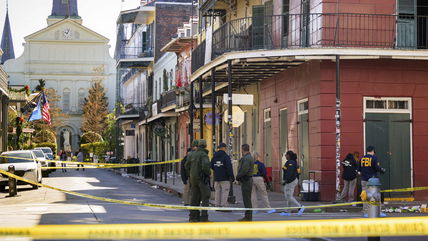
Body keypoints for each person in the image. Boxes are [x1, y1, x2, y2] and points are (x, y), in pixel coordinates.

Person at [185, 140, 211, 222]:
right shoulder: (203, 155)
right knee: (205, 197)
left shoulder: (192, 154)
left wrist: (191, 173)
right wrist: (208, 173)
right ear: (205, 146)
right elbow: (205, 166)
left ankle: (193, 217)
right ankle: (204, 217)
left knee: (194, 198)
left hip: (193, 179)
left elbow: (186, 165)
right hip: (201, 179)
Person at [359, 146, 385, 215]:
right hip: (373, 181)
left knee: (364, 196)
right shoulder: (374, 158)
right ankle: (377, 212)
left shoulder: (362, 158)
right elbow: (377, 167)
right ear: (373, 151)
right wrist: (382, 170)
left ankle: (366, 212)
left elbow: (359, 170)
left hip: (364, 180)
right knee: (376, 196)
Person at [211, 142, 234, 209]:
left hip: (217, 177)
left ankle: (217, 205)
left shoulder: (214, 156)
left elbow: (211, 165)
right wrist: (232, 177)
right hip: (225, 177)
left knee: (217, 191)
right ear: (224, 148)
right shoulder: (226, 156)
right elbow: (229, 167)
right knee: (225, 191)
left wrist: (216, 170)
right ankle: (223, 205)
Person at [236, 144, 254, 221]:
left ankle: (248, 217)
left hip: (246, 180)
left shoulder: (246, 158)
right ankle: (247, 216)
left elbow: (244, 170)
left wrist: (238, 176)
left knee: (247, 199)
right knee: (247, 199)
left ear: (242, 149)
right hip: (247, 179)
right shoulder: (249, 157)